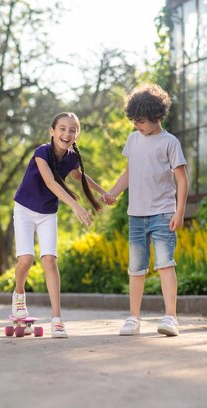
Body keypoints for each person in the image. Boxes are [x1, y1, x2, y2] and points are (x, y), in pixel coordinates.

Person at [12, 112, 113, 338]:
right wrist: (75, 206)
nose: (67, 134)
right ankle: (19, 294)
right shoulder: (42, 152)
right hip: (25, 210)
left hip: (47, 213)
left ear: (77, 135)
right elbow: (49, 182)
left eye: (72, 130)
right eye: (62, 129)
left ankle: (57, 319)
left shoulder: (71, 159)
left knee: (50, 259)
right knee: (26, 259)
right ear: (52, 131)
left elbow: (80, 178)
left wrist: (103, 192)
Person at [104, 84, 188, 337]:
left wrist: (179, 212)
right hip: (136, 215)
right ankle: (133, 318)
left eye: (141, 121)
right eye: (134, 121)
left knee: (165, 265)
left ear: (156, 116)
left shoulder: (170, 142)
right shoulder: (133, 140)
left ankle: (171, 317)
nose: (137, 125)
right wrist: (113, 192)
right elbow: (129, 172)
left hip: (163, 213)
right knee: (136, 268)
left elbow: (182, 180)